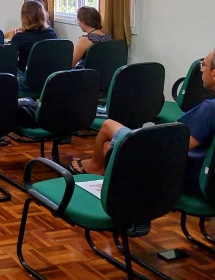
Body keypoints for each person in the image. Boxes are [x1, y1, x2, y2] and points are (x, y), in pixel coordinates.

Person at [73, 49, 215, 196]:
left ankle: (95, 167)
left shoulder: (210, 109)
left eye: (203, 65)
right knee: (110, 147)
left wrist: (145, 143)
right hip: (207, 179)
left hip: (188, 179)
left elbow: (174, 149)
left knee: (108, 126)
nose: (201, 69)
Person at [4, 0, 58, 79]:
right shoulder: (52, 33)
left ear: (24, 17)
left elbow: (10, 60)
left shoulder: (20, 38)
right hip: (48, 79)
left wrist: (13, 39)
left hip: (28, 81)